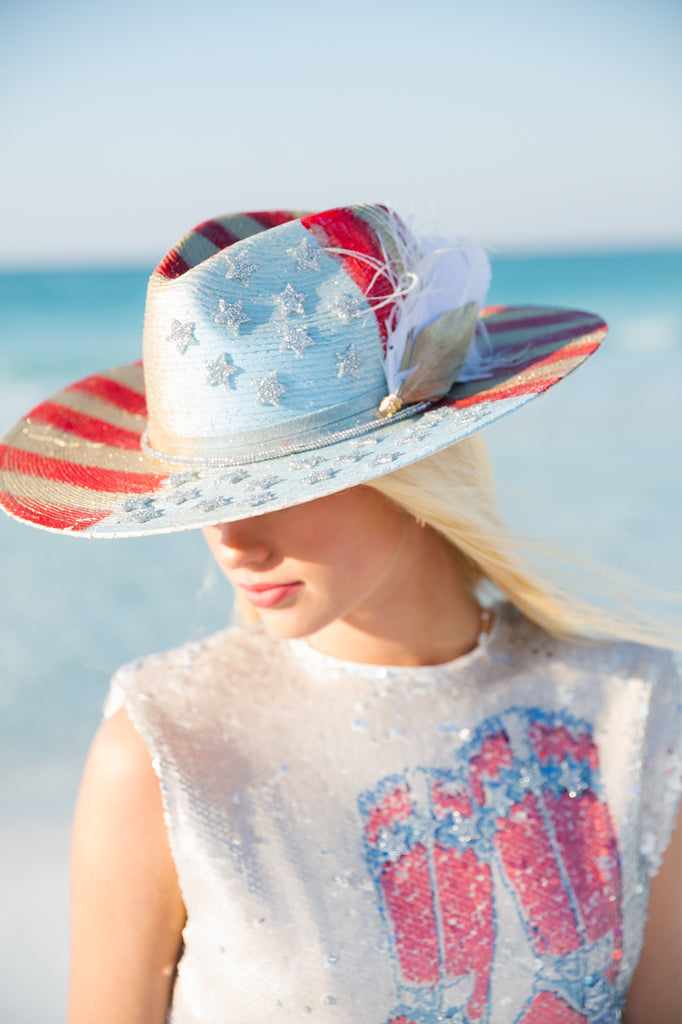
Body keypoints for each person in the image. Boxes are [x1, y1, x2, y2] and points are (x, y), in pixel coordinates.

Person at [0, 204, 679, 1024]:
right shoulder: (166, 748)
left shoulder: (635, 711)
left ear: (412, 466)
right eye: (206, 495)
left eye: (284, 482)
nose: (231, 539)